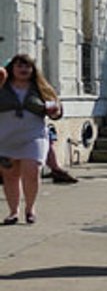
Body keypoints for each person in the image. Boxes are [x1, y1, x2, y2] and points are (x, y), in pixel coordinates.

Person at [1, 54, 62, 224]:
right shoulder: (2, 86)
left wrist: (55, 111)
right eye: (19, 66)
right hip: (6, 138)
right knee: (11, 176)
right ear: (11, 69)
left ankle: (30, 209)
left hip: (34, 136)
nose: (23, 70)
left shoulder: (41, 88)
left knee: (32, 171)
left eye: (27, 67)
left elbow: (57, 108)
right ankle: (13, 212)